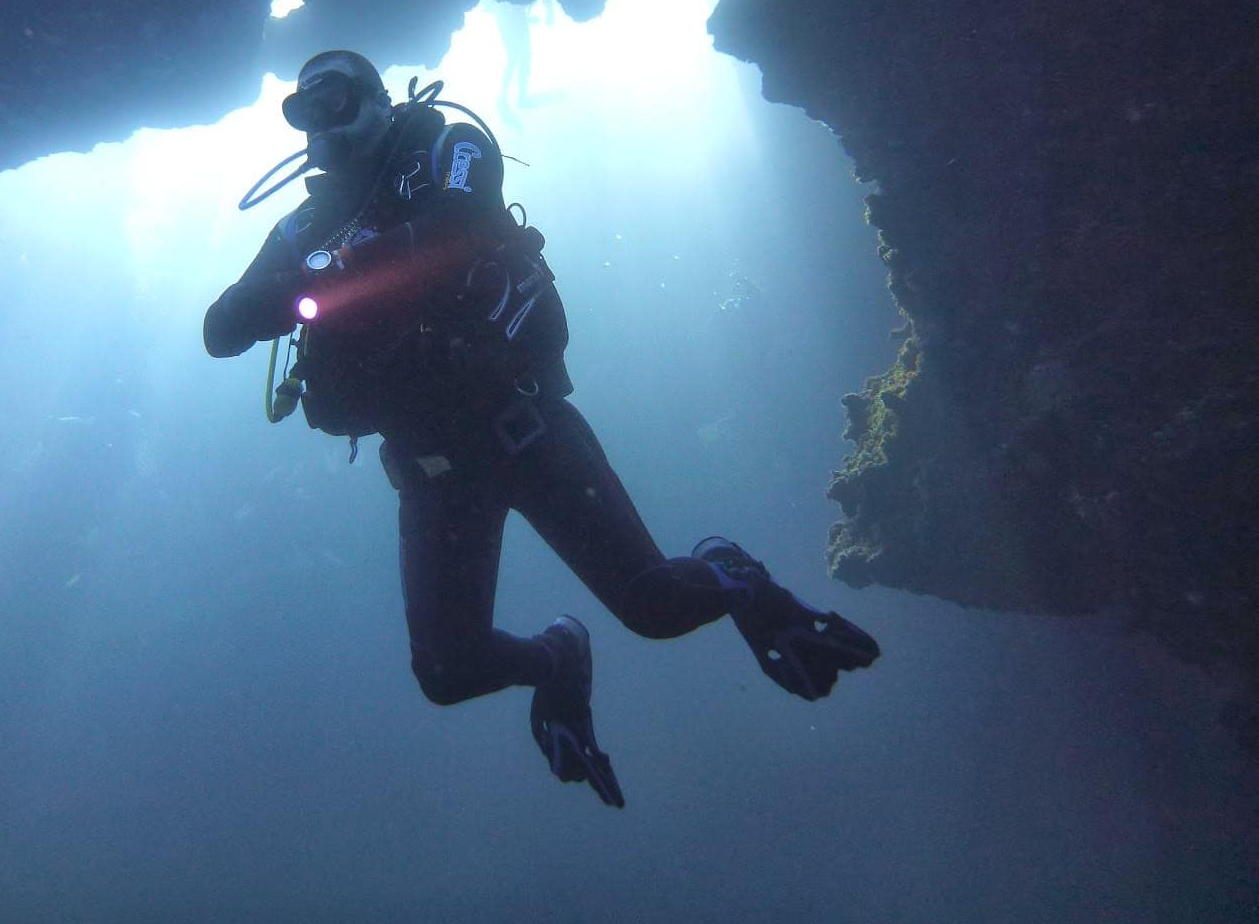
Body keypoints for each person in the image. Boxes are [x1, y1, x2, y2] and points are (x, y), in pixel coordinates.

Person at [204, 50, 880, 808]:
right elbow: (221, 329)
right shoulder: (301, 228)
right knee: (447, 672)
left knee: (654, 608)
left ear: (380, 100)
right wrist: (303, 279)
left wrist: (329, 273)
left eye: (339, 103)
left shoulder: (446, 148)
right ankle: (557, 660)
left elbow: (457, 229)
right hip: (433, 473)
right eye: (305, 113)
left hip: (526, 432)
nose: (323, 127)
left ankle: (734, 574)